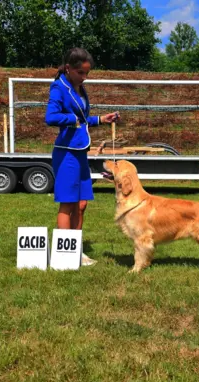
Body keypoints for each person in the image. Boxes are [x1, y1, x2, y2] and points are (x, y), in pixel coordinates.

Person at [45, 47, 119, 266]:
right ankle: (66, 254)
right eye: (81, 73)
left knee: (82, 204)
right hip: (66, 153)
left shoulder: (80, 88)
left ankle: (75, 249)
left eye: (87, 73)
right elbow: (51, 117)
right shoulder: (59, 88)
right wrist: (71, 120)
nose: (85, 77)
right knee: (67, 204)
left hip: (80, 153)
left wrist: (101, 120)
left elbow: (83, 119)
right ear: (68, 68)